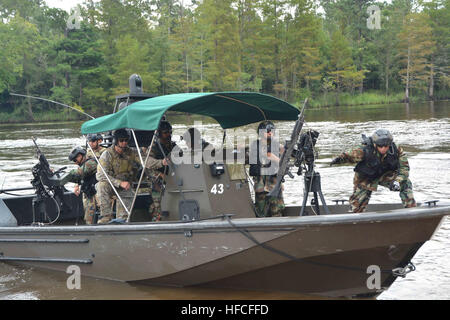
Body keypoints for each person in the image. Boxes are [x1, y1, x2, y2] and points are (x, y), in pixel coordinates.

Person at [330, 129, 417, 213]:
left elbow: (404, 168)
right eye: (380, 146)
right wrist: (337, 160)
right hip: (366, 178)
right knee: (357, 206)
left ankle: (411, 209)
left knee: (405, 183)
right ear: (375, 144)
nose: (383, 148)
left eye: (386, 146)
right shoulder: (363, 150)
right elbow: (348, 156)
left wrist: (398, 181)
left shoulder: (396, 150)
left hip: (385, 175)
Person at [96, 129, 141, 223]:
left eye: (126, 140)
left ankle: (122, 220)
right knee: (101, 185)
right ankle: (105, 216)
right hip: (111, 184)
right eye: (121, 140)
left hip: (126, 186)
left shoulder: (131, 152)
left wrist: (160, 163)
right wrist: (119, 183)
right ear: (116, 141)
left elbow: (144, 161)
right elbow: (100, 175)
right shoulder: (107, 154)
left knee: (123, 217)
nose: (124, 143)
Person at [249, 121, 285, 217]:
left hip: (274, 186)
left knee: (276, 212)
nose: (270, 132)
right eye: (267, 130)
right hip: (260, 187)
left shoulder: (278, 147)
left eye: (272, 130)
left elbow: (285, 165)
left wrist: (275, 158)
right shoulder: (254, 146)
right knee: (261, 213)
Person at [145, 120, 178, 222]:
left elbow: (183, 157)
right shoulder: (154, 147)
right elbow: (147, 162)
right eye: (165, 132)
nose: (169, 134)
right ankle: (157, 217)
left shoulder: (173, 146)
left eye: (170, 132)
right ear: (159, 134)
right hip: (157, 178)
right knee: (158, 202)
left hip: (172, 176)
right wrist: (161, 162)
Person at [60, 147, 98, 224]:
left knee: (94, 219)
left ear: (80, 156)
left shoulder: (91, 163)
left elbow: (78, 173)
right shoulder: (83, 165)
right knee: (88, 219)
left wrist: (64, 175)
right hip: (88, 194)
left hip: (96, 195)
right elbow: (77, 178)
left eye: (75, 160)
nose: (75, 162)